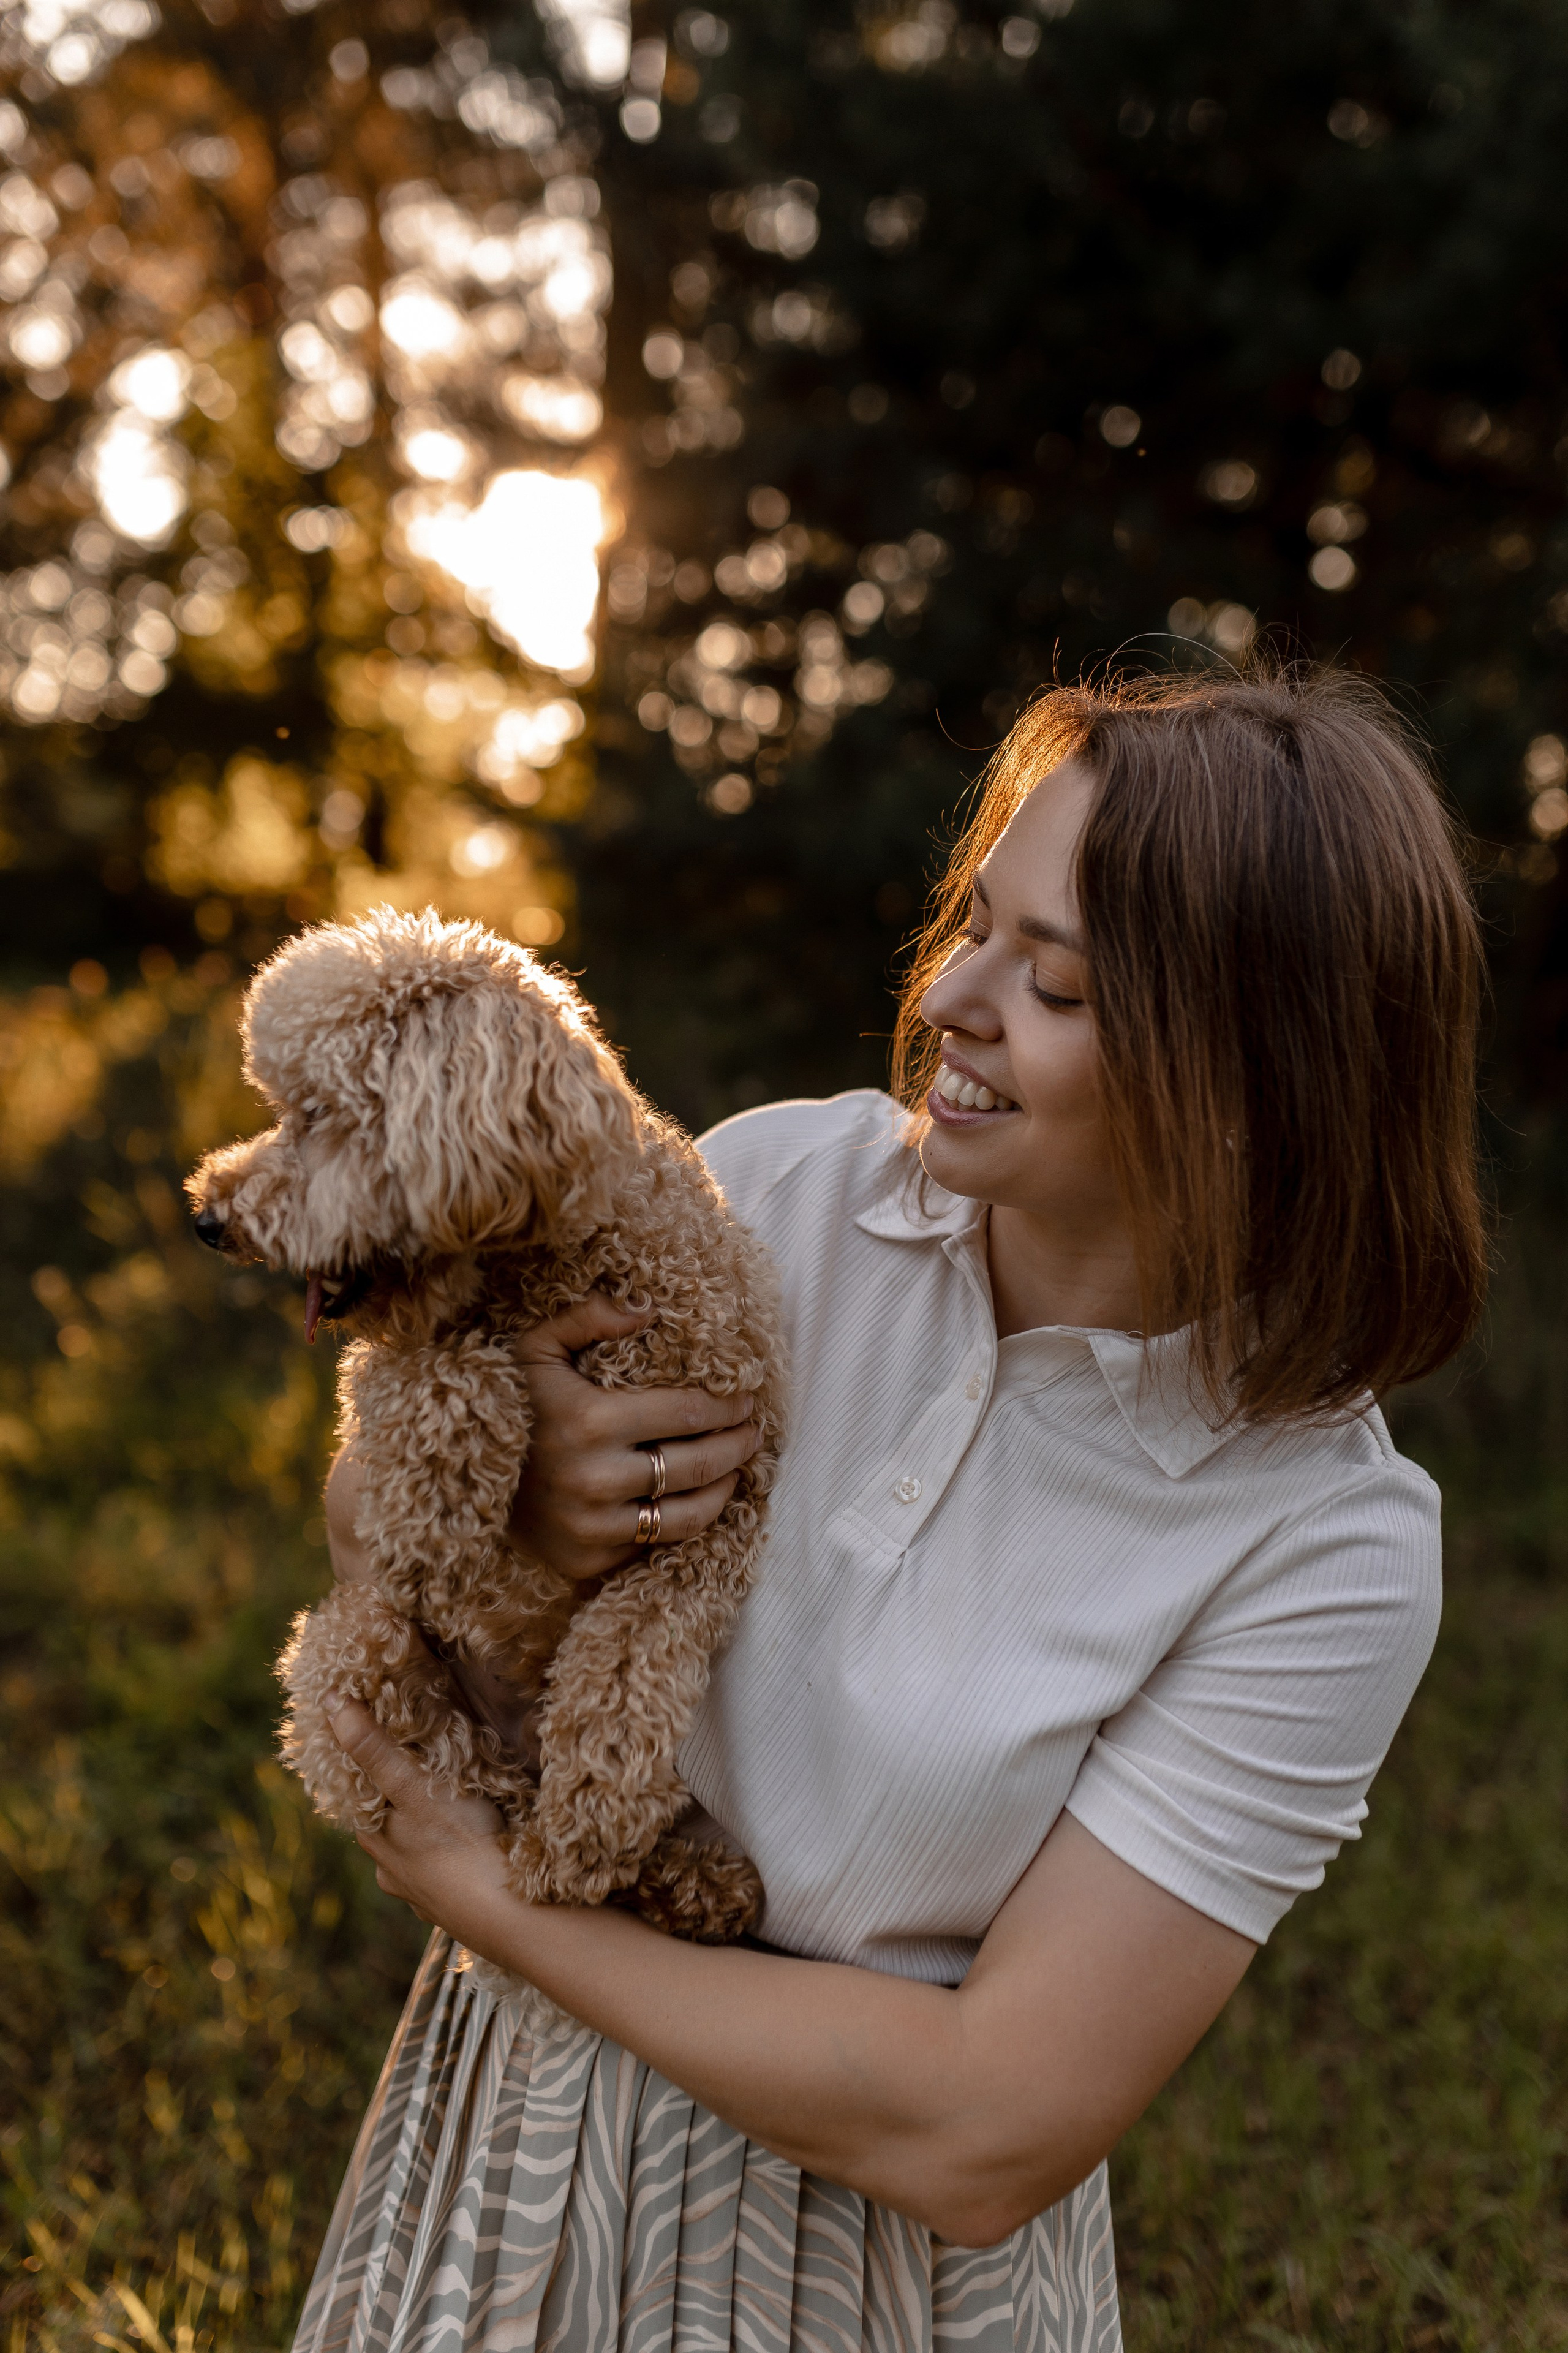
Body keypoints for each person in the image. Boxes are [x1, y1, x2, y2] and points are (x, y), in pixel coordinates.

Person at [293, 667, 1485, 2353]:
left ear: (1250, 1070)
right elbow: (370, 1512)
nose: (954, 995)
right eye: (977, 922)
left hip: (869, 2279)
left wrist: (479, 1888)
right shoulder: (771, 1190)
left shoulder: (1320, 1545)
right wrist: (518, 1512)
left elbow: (986, 2127)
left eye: (1054, 982)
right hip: (509, 2160)